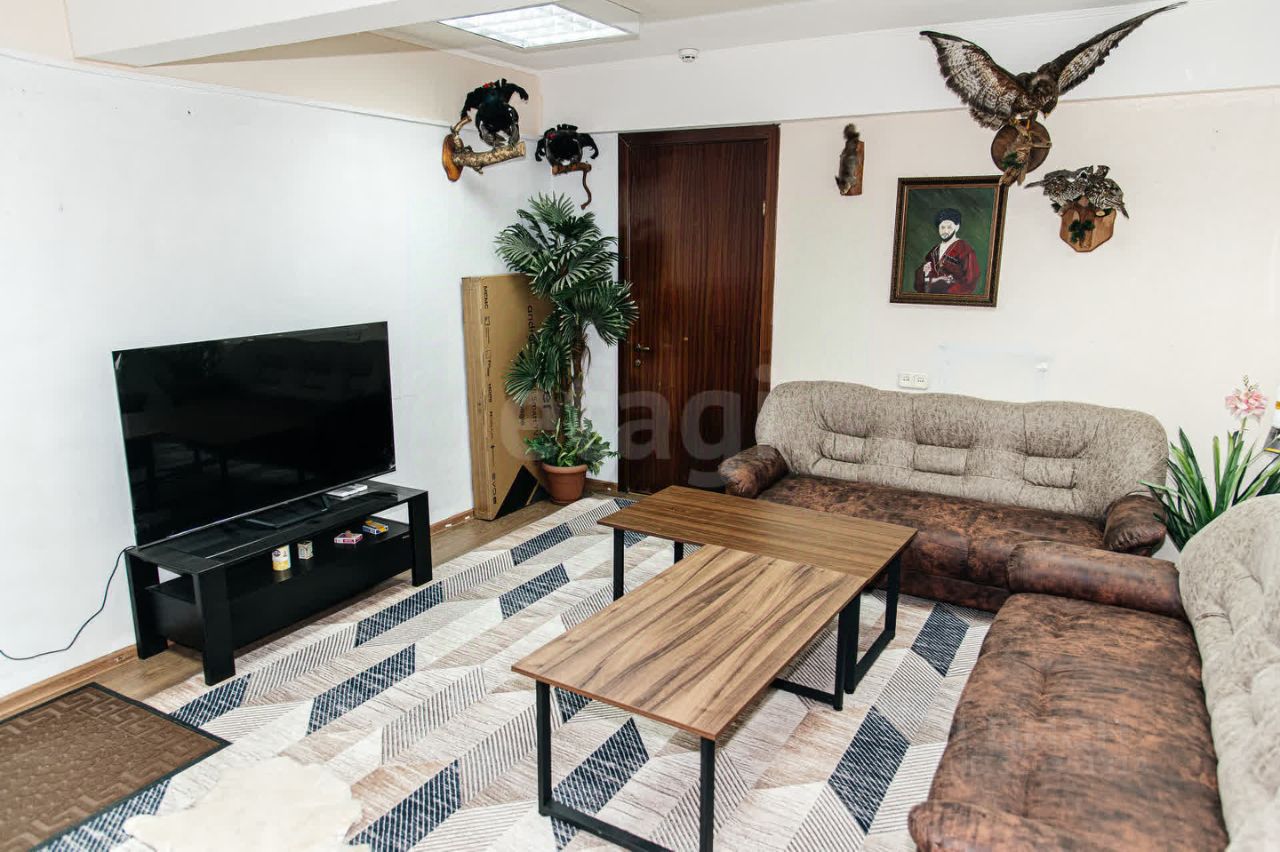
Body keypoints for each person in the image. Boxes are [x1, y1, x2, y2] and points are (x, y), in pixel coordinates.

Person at [914, 208, 980, 295]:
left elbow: (970, 280)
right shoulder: (934, 251)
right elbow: (921, 280)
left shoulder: (965, 250)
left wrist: (947, 289)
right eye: (942, 227)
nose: (945, 231)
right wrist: (927, 275)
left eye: (949, 227)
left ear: (957, 227)